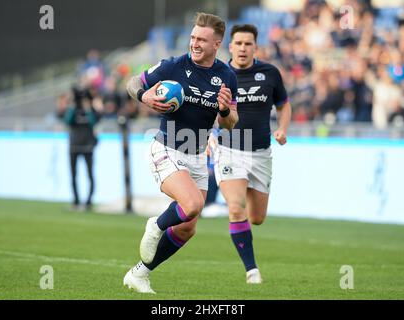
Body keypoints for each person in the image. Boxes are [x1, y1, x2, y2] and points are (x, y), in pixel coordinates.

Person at [123, 12, 238, 294]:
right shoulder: (174, 66)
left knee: (188, 228)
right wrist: (144, 96)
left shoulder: (226, 75)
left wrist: (224, 109)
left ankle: (139, 274)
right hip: (165, 148)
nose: (195, 43)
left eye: (202, 39)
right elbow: (133, 83)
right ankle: (155, 225)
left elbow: (231, 122)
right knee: (192, 205)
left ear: (217, 44)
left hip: (198, 156)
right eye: (192, 38)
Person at [212, 24, 292, 283]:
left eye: (248, 44)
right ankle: (252, 271)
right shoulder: (219, 75)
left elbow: (283, 104)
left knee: (256, 218)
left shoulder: (269, 73)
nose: (243, 48)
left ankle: (245, 197)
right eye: (238, 43)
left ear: (255, 47)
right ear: (230, 46)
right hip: (229, 149)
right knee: (236, 208)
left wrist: (282, 128)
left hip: (260, 152)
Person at [57, 86, 103, 211]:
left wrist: (88, 108)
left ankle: (89, 201)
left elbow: (94, 122)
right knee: (73, 175)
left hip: (88, 146)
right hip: (74, 146)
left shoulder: (91, 109)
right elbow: (67, 121)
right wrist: (72, 105)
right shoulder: (73, 109)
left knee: (90, 175)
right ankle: (76, 200)